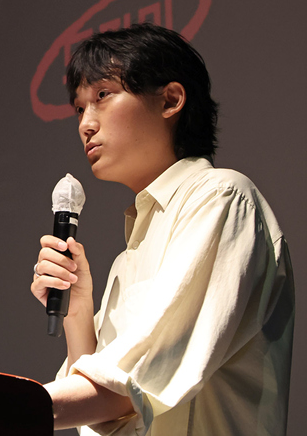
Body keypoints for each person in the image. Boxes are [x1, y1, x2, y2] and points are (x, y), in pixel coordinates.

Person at [31, 24, 294, 435]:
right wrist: (78, 312)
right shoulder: (129, 256)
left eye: (102, 96)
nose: (85, 124)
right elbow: (103, 413)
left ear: (170, 100)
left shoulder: (221, 197)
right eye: (80, 109)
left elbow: (131, 387)